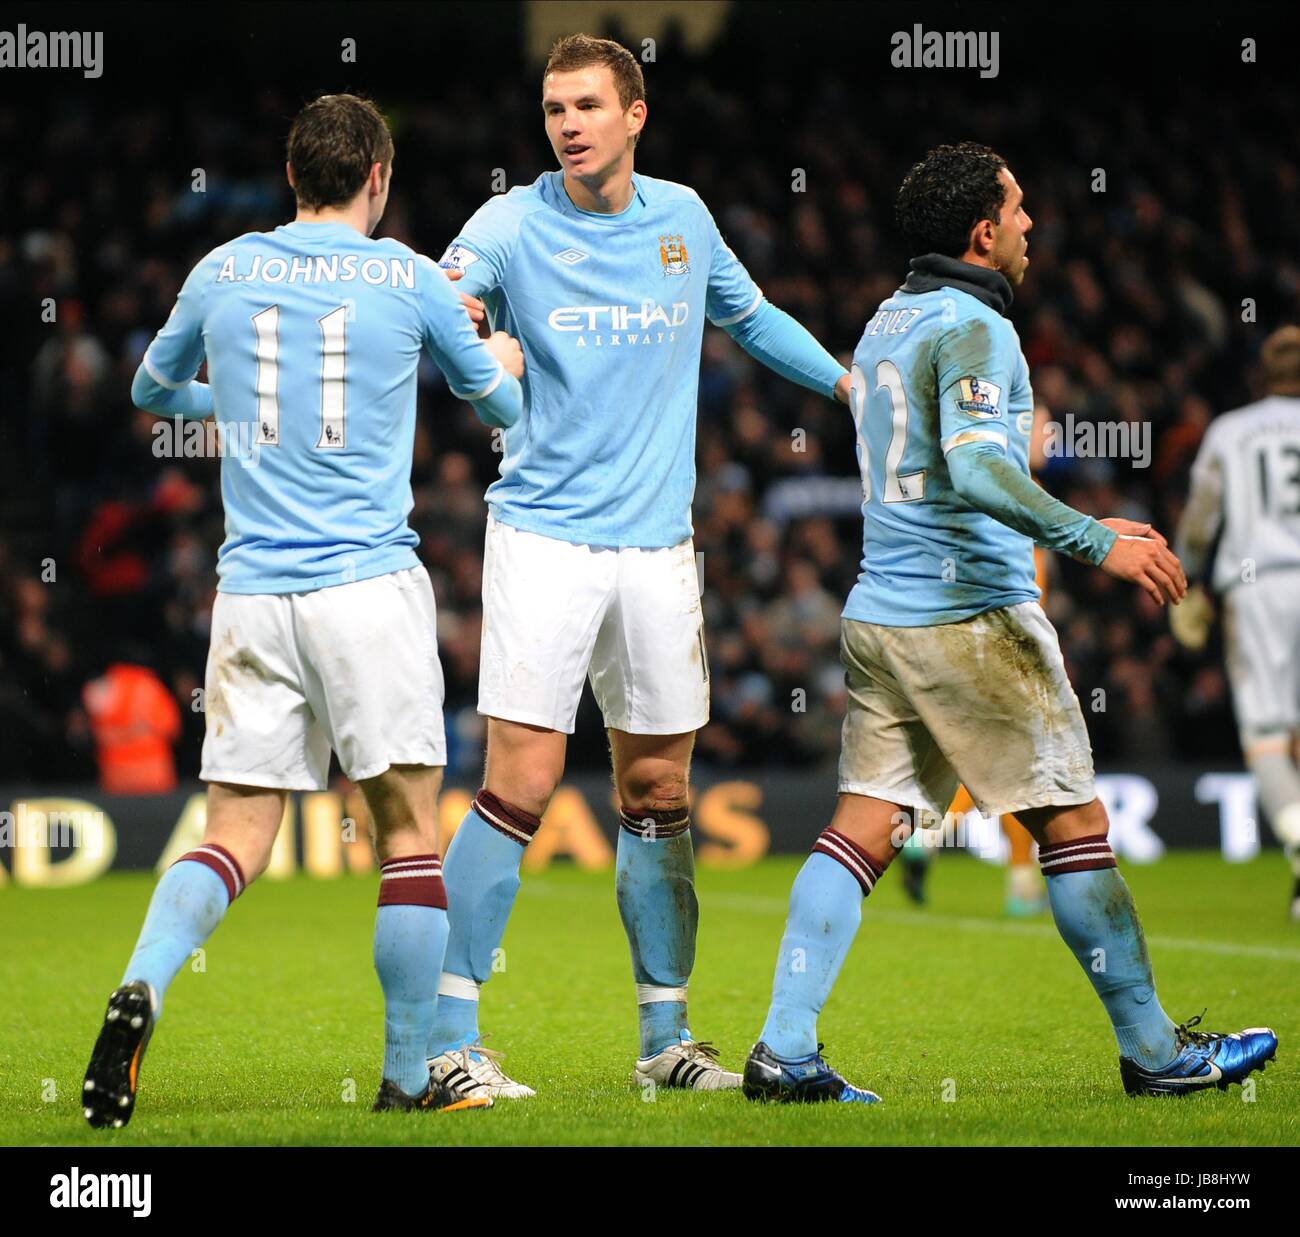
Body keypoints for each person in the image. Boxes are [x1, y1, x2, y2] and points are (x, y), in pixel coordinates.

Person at [743, 142, 1277, 1103]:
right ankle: (1158, 1054)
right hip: (970, 616)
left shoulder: (884, 321)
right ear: (983, 232)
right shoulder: (976, 325)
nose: (1033, 224)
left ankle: (785, 1047)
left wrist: (1085, 522)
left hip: (881, 614)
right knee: (1073, 822)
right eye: (1020, 209)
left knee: (860, 827)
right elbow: (981, 468)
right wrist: (1092, 542)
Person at [81, 93, 524, 1127]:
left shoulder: (223, 268)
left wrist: (233, 404)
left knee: (234, 828)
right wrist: (498, 361)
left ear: (292, 179)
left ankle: (144, 978)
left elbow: (152, 391)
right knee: (408, 829)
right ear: (377, 177)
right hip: (366, 587)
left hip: (251, 597)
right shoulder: (409, 276)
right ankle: (410, 1072)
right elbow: (497, 410)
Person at [426, 33, 851, 1100]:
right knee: (516, 783)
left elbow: (749, 318)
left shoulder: (683, 219)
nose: (566, 124)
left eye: (584, 106)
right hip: (543, 538)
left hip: (660, 549)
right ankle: (448, 1040)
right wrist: (476, 342)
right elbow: (441, 308)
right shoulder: (510, 222)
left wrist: (846, 386)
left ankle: (666, 1043)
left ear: (634, 115)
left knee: (658, 787)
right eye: (552, 108)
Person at [1173, 323, 1300, 921]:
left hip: (1258, 588)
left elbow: (1201, 518)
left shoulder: (1233, 430)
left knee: (1269, 734)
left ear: (1263, 375)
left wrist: (1187, 580)